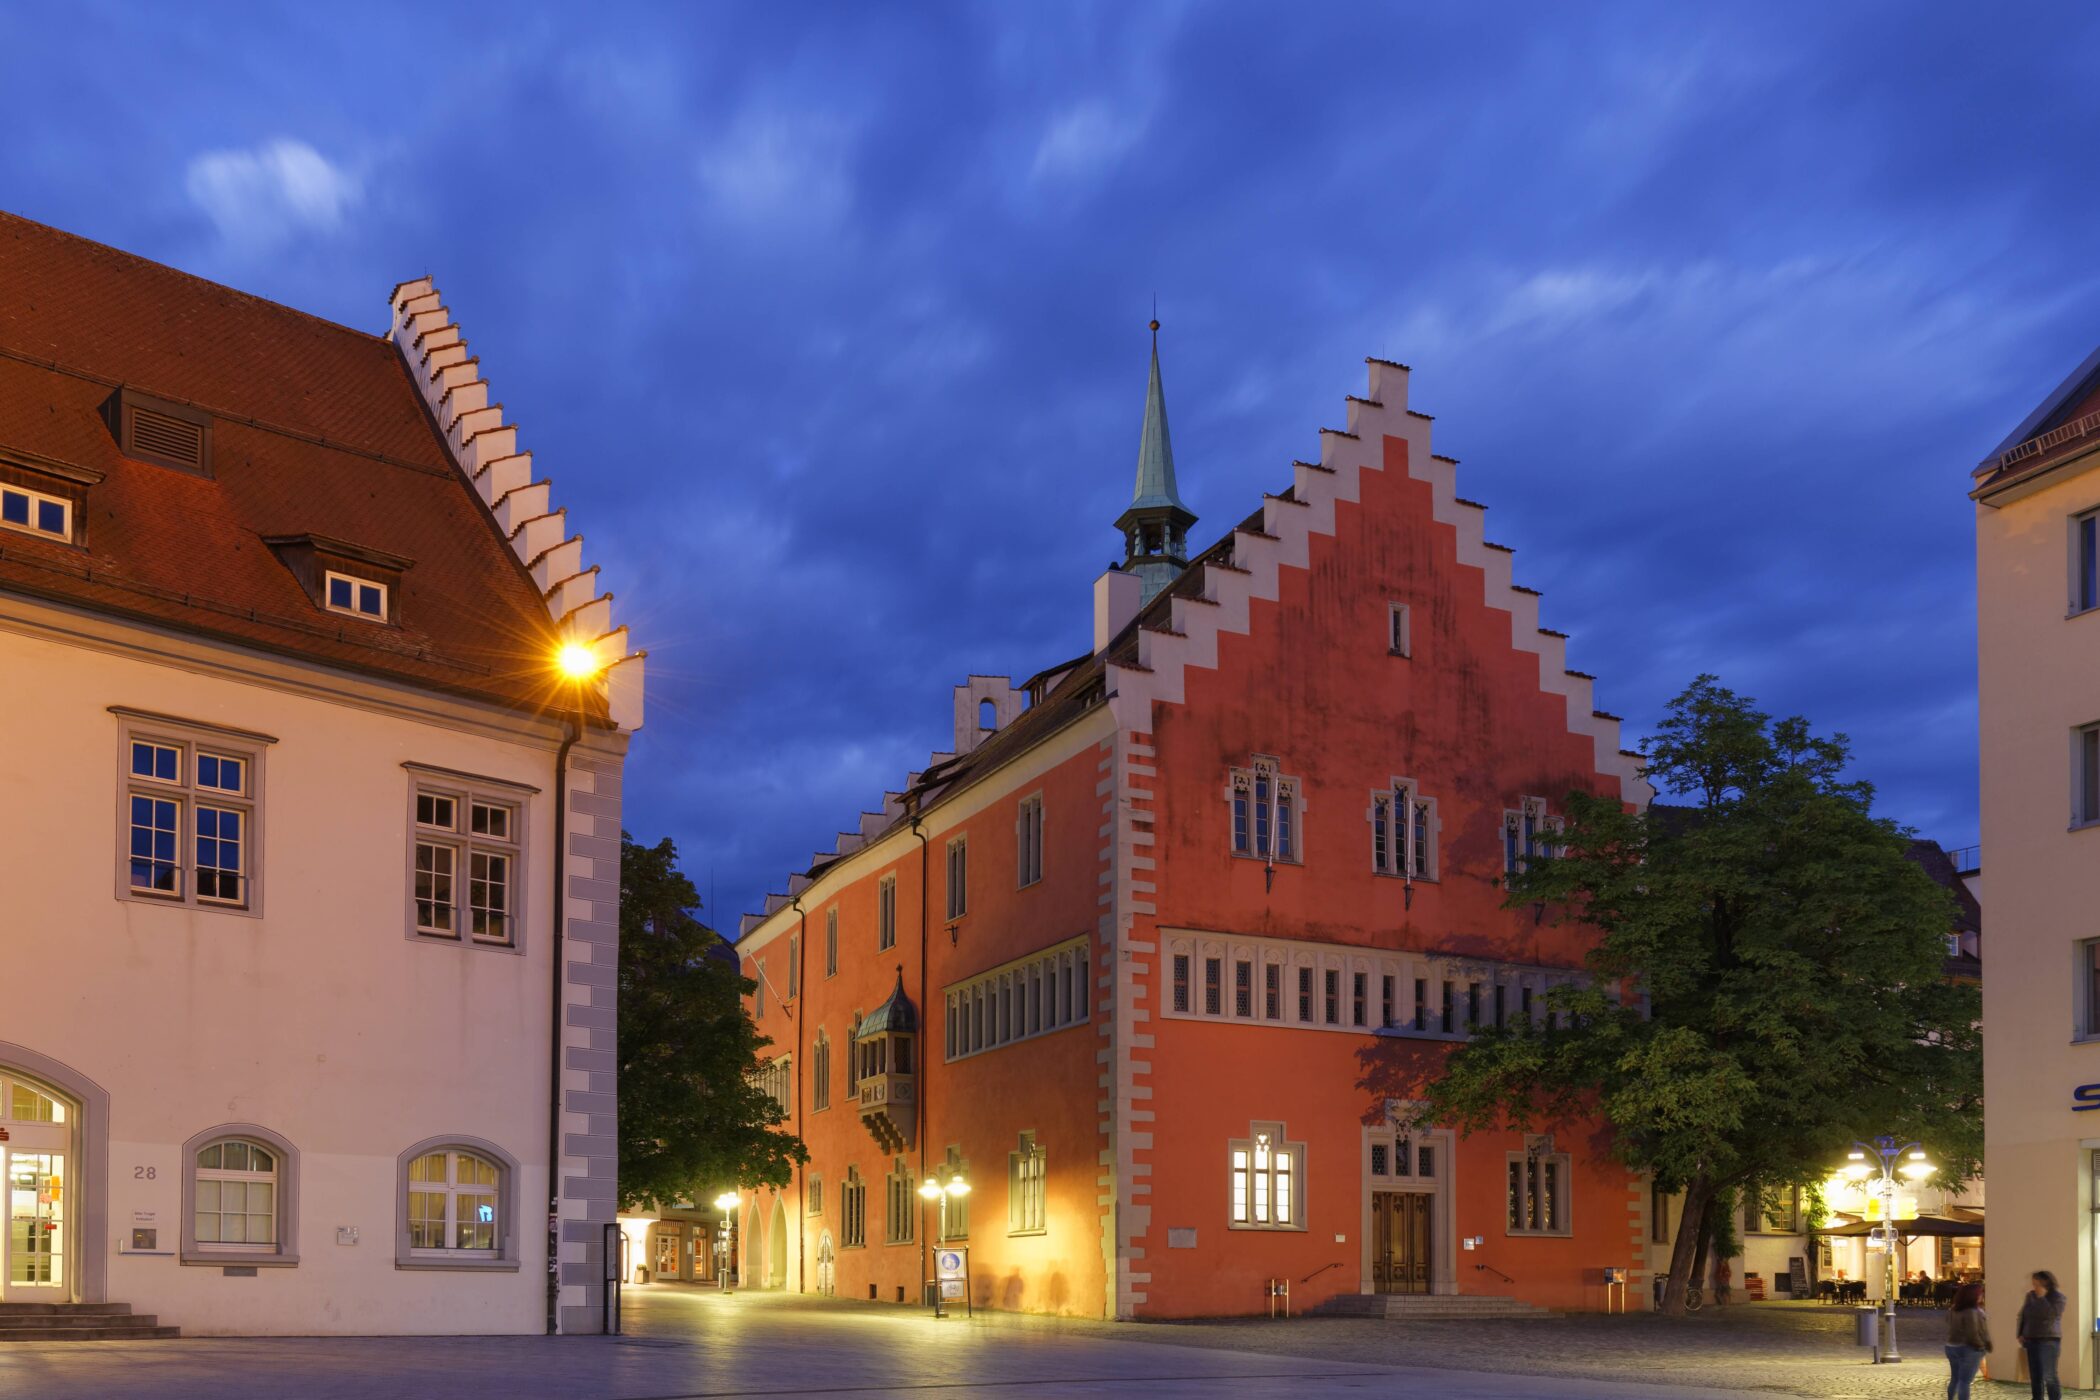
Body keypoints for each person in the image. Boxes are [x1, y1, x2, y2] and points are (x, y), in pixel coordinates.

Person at [2015, 1270, 2066, 1400]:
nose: (2034, 1287)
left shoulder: (2058, 1297)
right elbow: (2023, 1315)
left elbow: (2050, 1315)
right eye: (2033, 1284)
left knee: (2049, 1375)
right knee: (2035, 1375)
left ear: (2046, 1283)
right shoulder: (2030, 1296)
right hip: (2031, 1340)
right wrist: (2020, 1333)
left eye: (2037, 1284)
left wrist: (2042, 1298)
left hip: (2049, 1340)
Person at [1944, 1282, 1990, 1400]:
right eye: (1980, 1293)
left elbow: (1948, 1324)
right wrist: (1981, 1346)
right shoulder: (1972, 1311)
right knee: (1964, 1381)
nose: (1982, 1296)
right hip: (1968, 1348)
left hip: (1951, 1346)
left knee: (1955, 1378)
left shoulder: (1953, 1309)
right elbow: (1973, 1332)